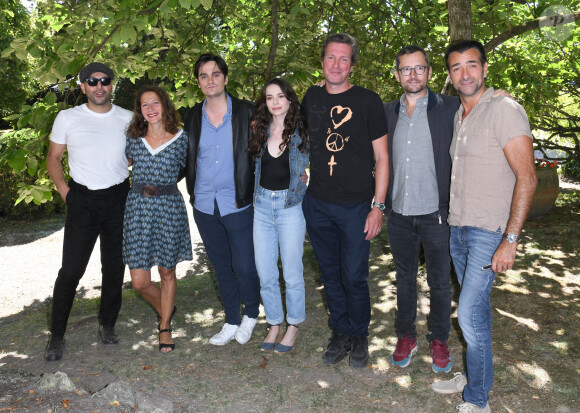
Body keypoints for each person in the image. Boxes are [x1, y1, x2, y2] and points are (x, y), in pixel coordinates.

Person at [431, 40, 537, 413]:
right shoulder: (459, 115)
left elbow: (527, 177)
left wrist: (510, 240)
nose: (465, 74)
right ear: (449, 75)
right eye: (457, 67)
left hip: (488, 233)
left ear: (485, 69)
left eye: (472, 65)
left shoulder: (504, 109)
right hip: (458, 229)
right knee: (477, 314)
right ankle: (473, 377)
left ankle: (477, 400)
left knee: (470, 317)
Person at [301, 33, 389, 368]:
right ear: (321, 61)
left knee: (354, 275)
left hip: (357, 207)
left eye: (344, 59)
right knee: (330, 274)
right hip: (318, 204)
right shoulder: (310, 97)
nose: (336, 65)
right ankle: (340, 332)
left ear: (352, 64)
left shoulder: (368, 101)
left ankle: (360, 334)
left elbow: (382, 158)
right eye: (331, 58)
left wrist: (377, 207)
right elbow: (297, 139)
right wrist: (301, 172)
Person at [45, 62, 132, 361]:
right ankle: (56, 337)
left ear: (112, 84)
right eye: (92, 81)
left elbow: (135, 156)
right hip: (81, 200)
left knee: (113, 268)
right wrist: (66, 194)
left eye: (105, 81)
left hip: (118, 199)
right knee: (70, 271)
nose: (99, 86)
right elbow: (54, 158)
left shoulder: (129, 118)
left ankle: (107, 326)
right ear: (82, 86)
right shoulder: (67, 117)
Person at [383, 45, 458, 373]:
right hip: (398, 213)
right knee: (404, 279)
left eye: (419, 68)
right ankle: (406, 335)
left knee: (440, 281)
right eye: (406, 69)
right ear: (397, 74)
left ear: (429, 72)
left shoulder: (450, 108)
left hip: (437, 214)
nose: (412, 75)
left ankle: (439, 338)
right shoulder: (386, 113)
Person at [184, 53, 261, 346]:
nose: (210, 80)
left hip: (238, 202)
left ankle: (251, 314)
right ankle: (231, 319)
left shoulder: (248, 112)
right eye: (203, 76)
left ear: (226, 78)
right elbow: (185, 157)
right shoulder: (192, 116)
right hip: (204, 204)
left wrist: (297, 173)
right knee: (221, 265)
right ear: (198, 83)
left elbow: (269, 149)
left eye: (215, 74)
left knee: (244, 264)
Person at [123, 85, 192, 353]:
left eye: (155, 103)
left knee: (167, 271)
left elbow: (193, 168)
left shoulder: (182, 138)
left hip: (168, 207)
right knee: (140, 281)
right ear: (139, 111)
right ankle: (167, 306)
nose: (150, 109)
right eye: (144, 105)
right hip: (138, 208)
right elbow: (119, 166)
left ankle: (165, 327)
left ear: (165, 105)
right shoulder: (133, 138)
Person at [249, 78, 309, 353]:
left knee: (293, 272)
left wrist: (307, 179)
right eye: (270, 97)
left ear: (289, 99)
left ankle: (293, 325)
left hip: (289, 208)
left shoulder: (302, 131)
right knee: (266, 272)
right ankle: (274, 323)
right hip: (262, 207)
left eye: (280, 96)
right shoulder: (259, 130)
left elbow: (318, 162)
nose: (275, 102)